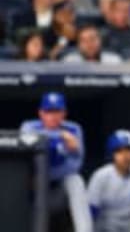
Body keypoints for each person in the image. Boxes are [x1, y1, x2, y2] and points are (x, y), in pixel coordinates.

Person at [20, 92, 92, 232]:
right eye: (48, 112)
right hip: (33, 194)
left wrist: (49, 172)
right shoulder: (29, 126)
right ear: (41, 113)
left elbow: (75, 166)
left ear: (64, 113)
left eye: (57, 111)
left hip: (58, 193)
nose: (53, 116)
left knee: (75, 180)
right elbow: (25, 141)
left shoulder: (74, 129)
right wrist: (59, 137)